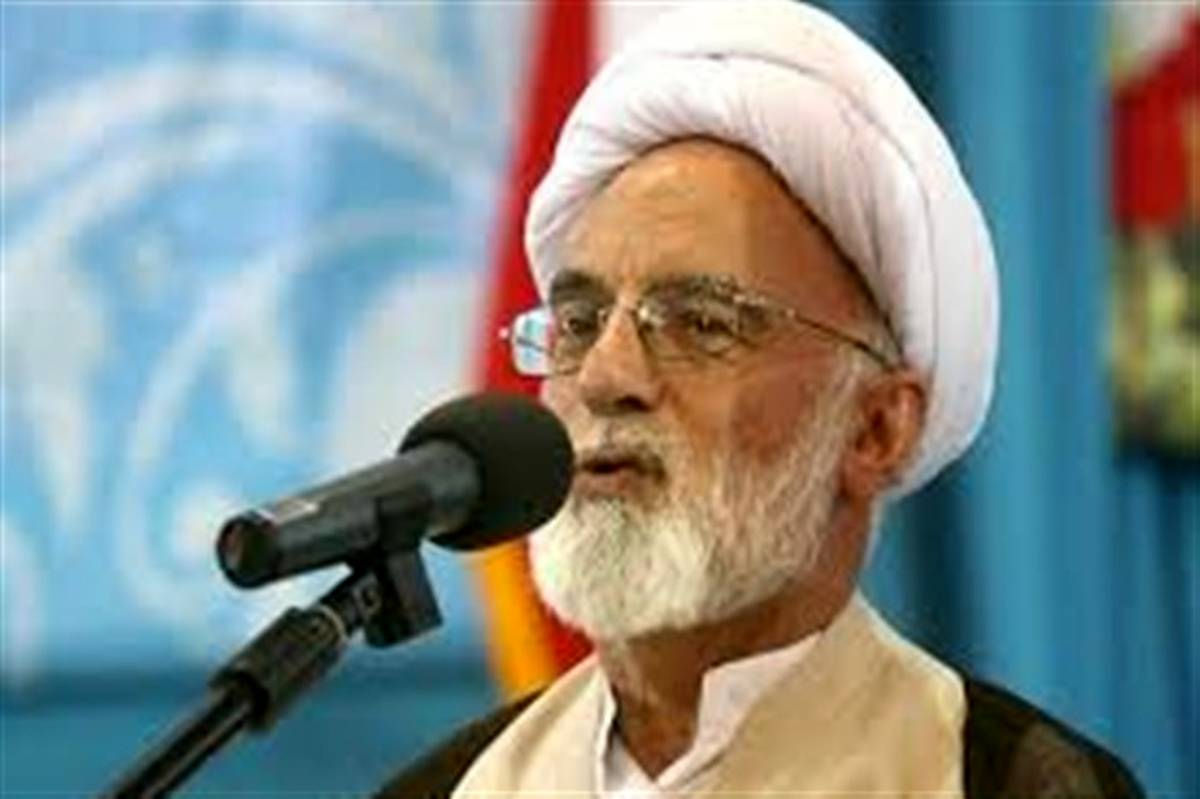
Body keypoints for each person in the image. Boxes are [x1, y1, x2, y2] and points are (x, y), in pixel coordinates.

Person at [379, 2, 1143, 796]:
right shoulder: (445, 788)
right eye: (578, 322)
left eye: (701, 322)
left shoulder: (1020, 782)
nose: (605, 376)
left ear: (875, 428)